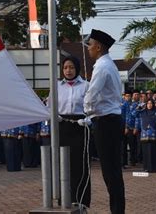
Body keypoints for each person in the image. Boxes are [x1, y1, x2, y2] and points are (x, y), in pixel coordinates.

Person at [83, 29, 125, 214]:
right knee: (114, 171)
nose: (88, 49)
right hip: (112, 120)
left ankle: (117, 211)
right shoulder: (110, 65)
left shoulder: (101, 67)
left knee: (110, 172)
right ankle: (117, 210)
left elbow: (91, 96)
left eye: (90, 45)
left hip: (106, 122)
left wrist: (86, 112)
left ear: (98, 47)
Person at [51, 56, 91, 208]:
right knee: (62, 163)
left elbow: (93, 107)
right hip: (62, 126)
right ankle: (63, 199)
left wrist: (89, 119)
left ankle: (81, 201)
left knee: (79, 164)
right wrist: (54, 117)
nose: (68, 70)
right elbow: (49, 107)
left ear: (77, 68)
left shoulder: (86, 85)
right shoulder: (57, 86)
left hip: (80, 126)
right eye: (66, 67)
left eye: (72, 67)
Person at [134, 99, 156, 172]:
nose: (149, 105)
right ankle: (146, 168)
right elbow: (134, 114)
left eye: (151, 103)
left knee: (154, 152)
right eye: (148, 103)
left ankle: (154, 168)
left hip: (154, 135)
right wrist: (139, 106)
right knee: (146, 152)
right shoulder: (142, 113)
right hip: (144, 136)